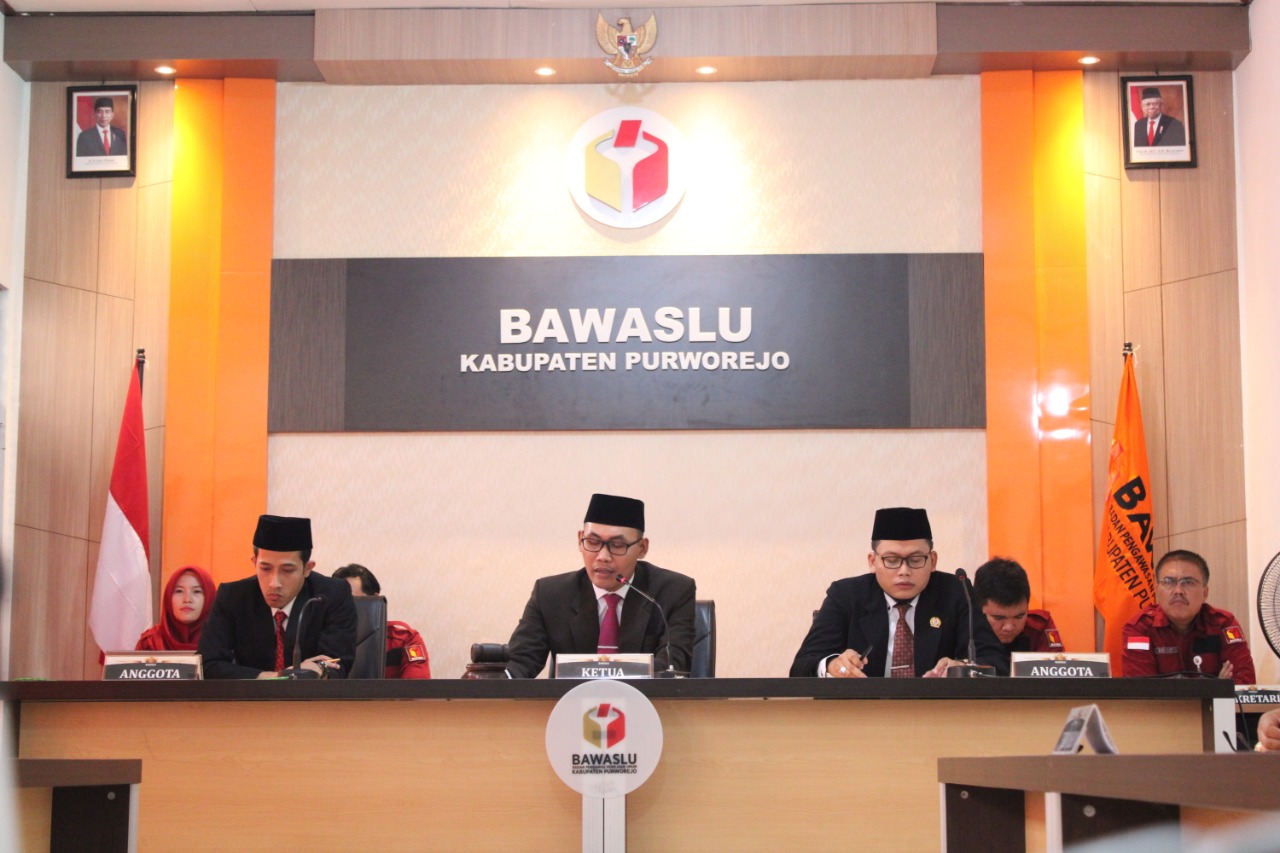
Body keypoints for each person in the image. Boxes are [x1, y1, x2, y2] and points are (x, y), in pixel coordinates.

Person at [790, 506, 1006, 678]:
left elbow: (997, 663)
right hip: (863, 714)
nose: (904, 571)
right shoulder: (846, 596)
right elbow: (801, 667)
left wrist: (962, 668)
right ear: (873, 562)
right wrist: (832, 665)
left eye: (916, 559)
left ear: (933, 561)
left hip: (937, 714)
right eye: (892, 560)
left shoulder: (956, 592)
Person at [505, 493, 696, 678]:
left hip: (645, 700)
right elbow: (519, 663)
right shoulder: (550, 595)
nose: (603, 556)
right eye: (593, 542)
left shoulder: (672, 593)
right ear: (580, 540)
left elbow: (672, 666)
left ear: (642, 548)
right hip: (571, 701)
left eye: (618, 545)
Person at [198, 514, 357, 679]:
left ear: (307, 568)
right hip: (251, 695)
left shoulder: (331, 595)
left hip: (309, 695)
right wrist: (278, 678)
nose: (274, 583)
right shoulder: (232, 596)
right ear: (254, 562)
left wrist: (319, 669)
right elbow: (208, 664)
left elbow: (336, 664)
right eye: (265, 569)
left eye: (287, 570)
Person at [1122, 549, 1255, 684]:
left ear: (1204, 593)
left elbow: (1245, 683)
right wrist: (1216, 687)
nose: (1178, 591)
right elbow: (1141, 689)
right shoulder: (1139, 629)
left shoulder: (1223, 624)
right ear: (1156, 591)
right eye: (1168, 581)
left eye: (1188, 582)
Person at [332, 563, 431, 679]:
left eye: (351, 601)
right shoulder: (323, 639)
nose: (343, 609)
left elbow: (416, 687)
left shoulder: (404, 639)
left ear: (374, 602)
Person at [973, 557, 1065, 653]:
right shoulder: (964, 632)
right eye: (999, 618)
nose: (1009, 627)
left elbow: (1054, 660)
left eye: (1019, 616)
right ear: (978, 610)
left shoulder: (1038, 627)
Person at [135, 565, 217, 651]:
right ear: (169, 597)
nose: (187, 599)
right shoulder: (150, 643)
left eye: (196, 591)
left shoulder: (221, 642)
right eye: (179, 591)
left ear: (209, 598)